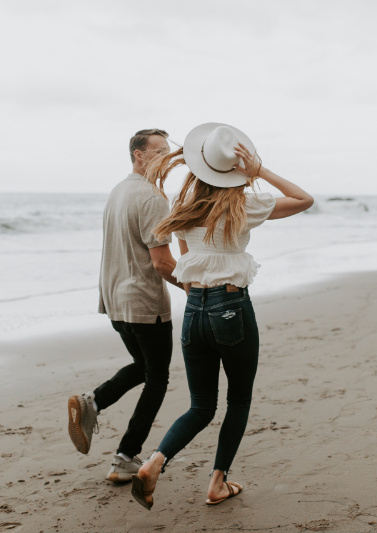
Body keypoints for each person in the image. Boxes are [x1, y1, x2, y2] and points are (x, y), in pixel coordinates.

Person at [130, 123, 313, 509]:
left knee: (200, 405)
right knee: (239, 400)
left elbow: (184, 258)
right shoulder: (244, 206)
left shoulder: (183, 208)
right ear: (234, 168)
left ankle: (154, 462)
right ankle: (217, 483)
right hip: (231, 308)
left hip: (194, 310)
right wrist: (259, 170)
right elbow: (302, 199)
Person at [67, 128, 184, 482]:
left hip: (115, 299)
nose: (166, 156)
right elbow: (162, 264)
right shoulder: (151, 197)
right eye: (159, 151)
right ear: (139, 155)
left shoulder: (119, 190)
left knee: (144, 365)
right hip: (144, 302)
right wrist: (196, 289)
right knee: (158, 378)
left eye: (169, 150)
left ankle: (94, 401)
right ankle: (125, 458)